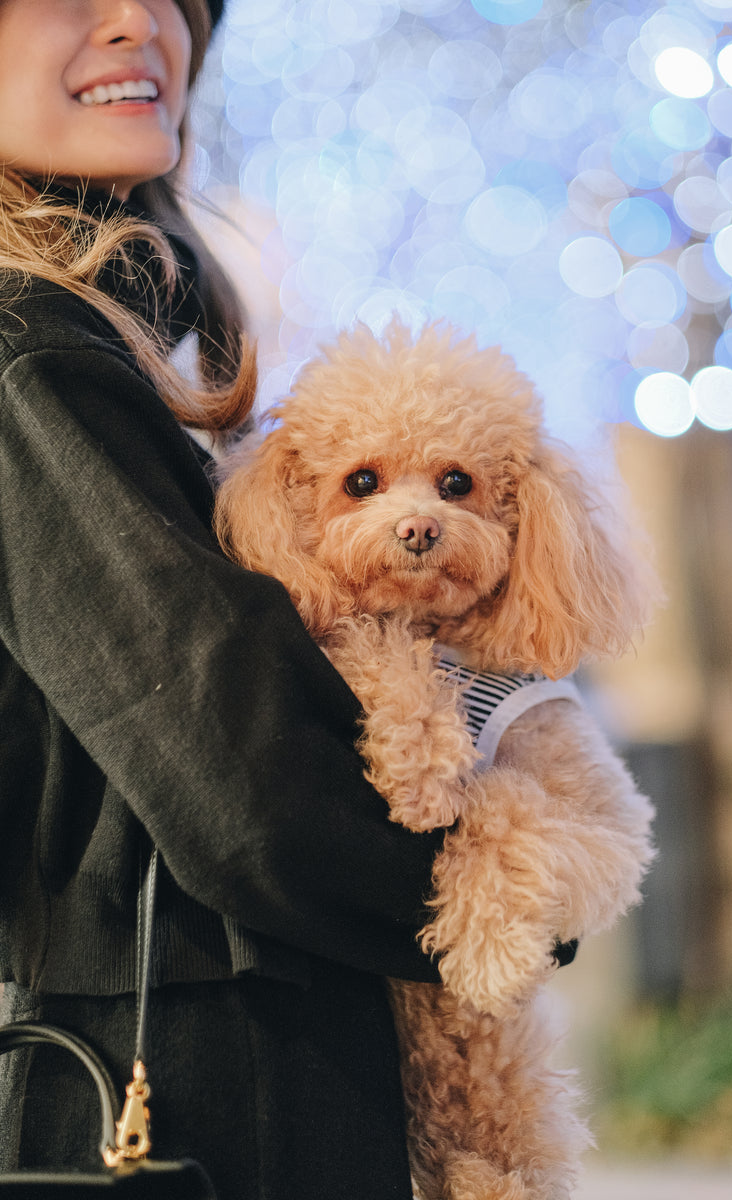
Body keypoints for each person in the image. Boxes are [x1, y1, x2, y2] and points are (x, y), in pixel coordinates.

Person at [0, 4, 448, 1197]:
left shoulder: (110, 338)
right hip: (176, 1085)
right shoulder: (35, 362)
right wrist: (493, 880)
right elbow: (246, 782)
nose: (133, 19)